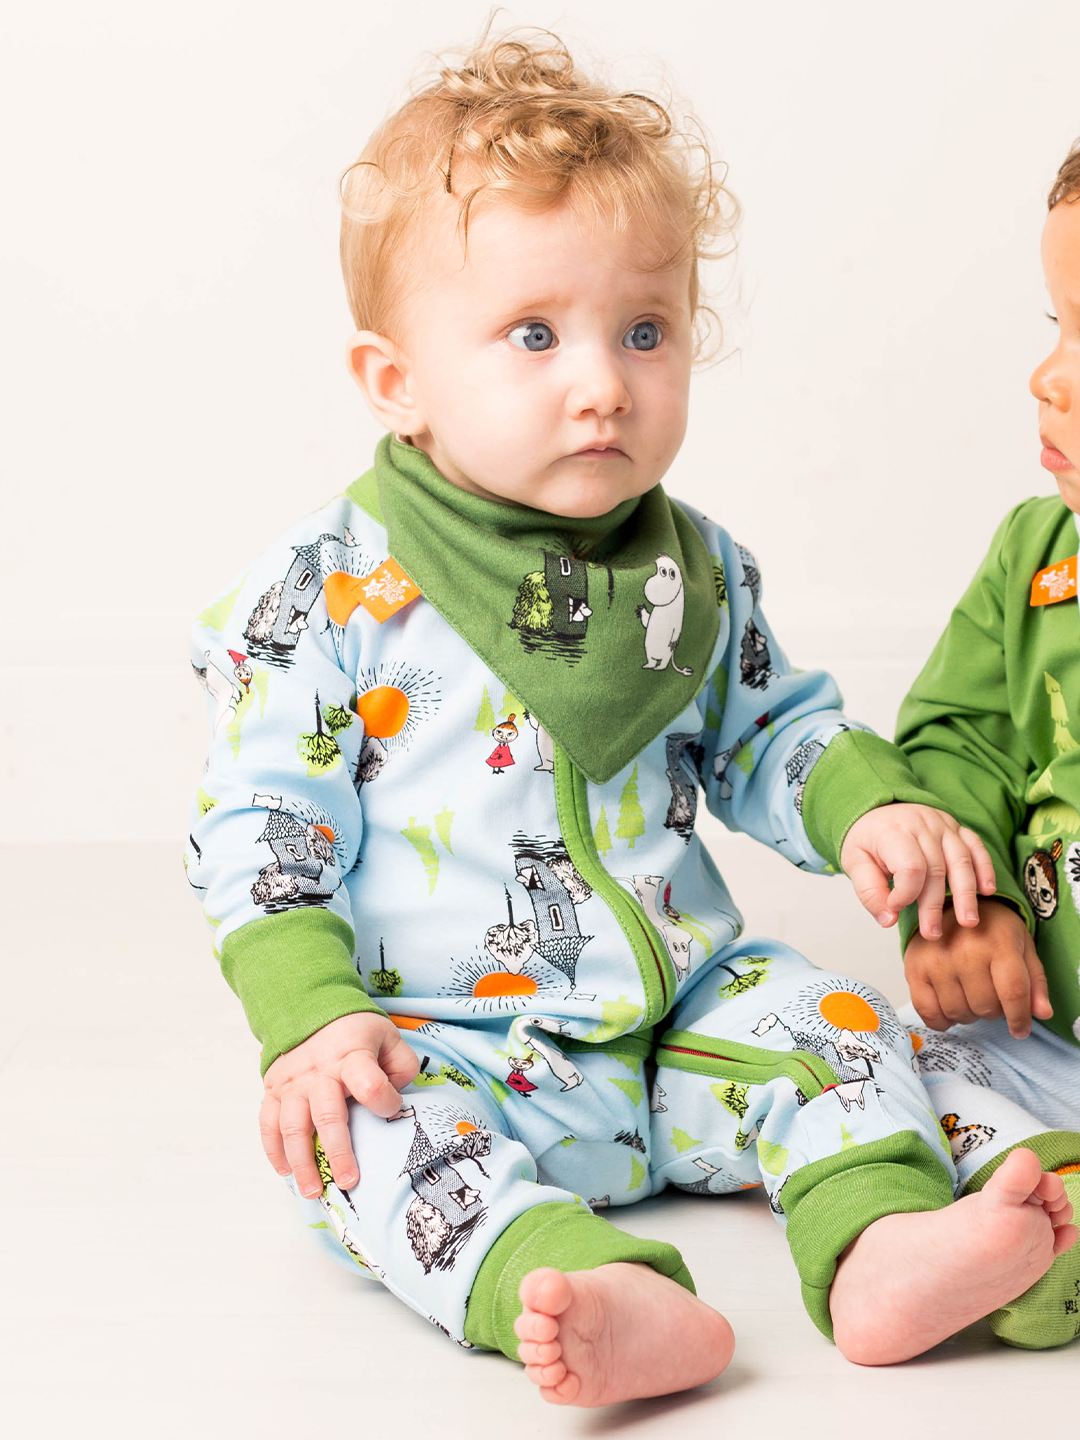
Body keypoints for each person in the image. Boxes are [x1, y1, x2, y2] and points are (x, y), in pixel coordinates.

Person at [186, 31, 1076, 1408]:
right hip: (451, 1041)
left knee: (834, 1024)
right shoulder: (326, 595)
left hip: (680, 1020)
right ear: (395, 380)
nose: (603, 382)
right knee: (359, 1144)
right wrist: (312, 1023)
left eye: (644, 332)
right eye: (535, 337)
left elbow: (773, 730)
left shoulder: (692, 568)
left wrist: (874, 809)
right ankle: (571, 1282)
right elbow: (267, 834)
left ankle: (879, 1239)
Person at [894, 138, 1080, 1353]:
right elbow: (955, 741)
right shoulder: (1036, 557)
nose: (1045, 376)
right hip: (1047, 1034)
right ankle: (1036, 1202)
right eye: (1057, 324)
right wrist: (969, 900)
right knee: (880, 1059)